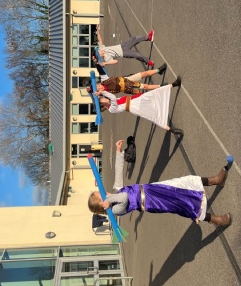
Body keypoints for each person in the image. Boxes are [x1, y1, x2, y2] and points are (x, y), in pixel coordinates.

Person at [88, 140, 232, 226]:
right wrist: (109, 201)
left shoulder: (116, 191)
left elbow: (118, 172)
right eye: (101, 195)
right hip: (152, 202)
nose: (104, 192)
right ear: (101, 204)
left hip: (151, 189)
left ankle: (215, 180)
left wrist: (119, 152)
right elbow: (124, 198)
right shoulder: (114, 211)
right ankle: (216, 220)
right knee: (182, 204)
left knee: (182, 183)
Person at [98, 76, 184, 135]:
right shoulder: (111, 109)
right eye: (102, 99)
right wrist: (103, 92)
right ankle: (171, 129)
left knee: (153, 93)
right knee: (152, 115)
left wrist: (101, 92)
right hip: (134, 107)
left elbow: (119, 98)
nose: (104, 98)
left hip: (134, 100)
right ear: (103, 104)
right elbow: (113, 98)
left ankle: (173, 84)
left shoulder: (110, 103)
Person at [88, 63, 167, 95]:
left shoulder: (104, 81)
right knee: (145, 86)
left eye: (98, 86)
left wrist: (97, 64)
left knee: (144, 74)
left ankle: (159, 70)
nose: (100, 87)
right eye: (98, 89)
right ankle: (161, 86)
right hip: (128, 87)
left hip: (126, 79)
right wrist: (98, 93)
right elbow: (108, 100)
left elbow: (101, 71)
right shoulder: (106, 93)